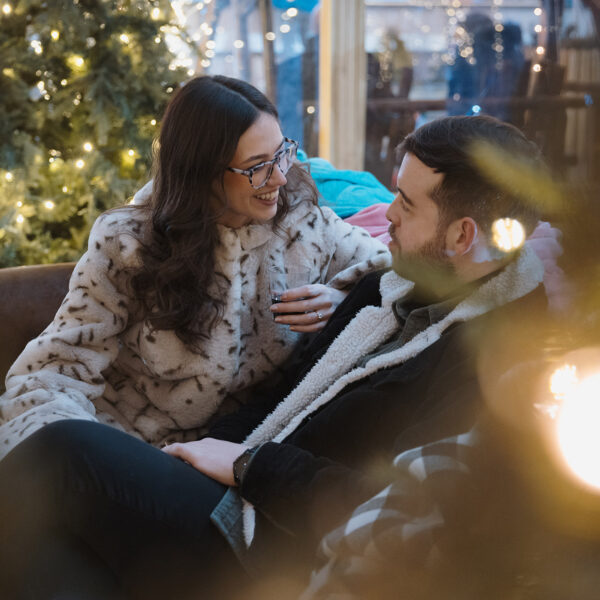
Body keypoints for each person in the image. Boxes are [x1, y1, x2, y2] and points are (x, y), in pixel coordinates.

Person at [0, 115, 548, 599]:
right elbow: (283, 393)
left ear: (463, 234)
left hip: (279, 546)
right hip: (234, 495)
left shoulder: (497, 364)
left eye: (404, 203)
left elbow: (393, 510)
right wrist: (196, 451)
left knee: (62, 450)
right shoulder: (392, 289)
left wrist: (248, 465)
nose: (388, 218)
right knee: (56, 552)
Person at [0, 75, 390, 458]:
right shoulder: (128, 242)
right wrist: (77, 454)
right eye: (257, 166)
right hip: (130, 444)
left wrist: (343, 301)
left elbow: (394, 274)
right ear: (202, 172)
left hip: (241, 450)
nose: (281, 176)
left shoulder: (304, 223)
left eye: (281, 152)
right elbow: (57, 365)